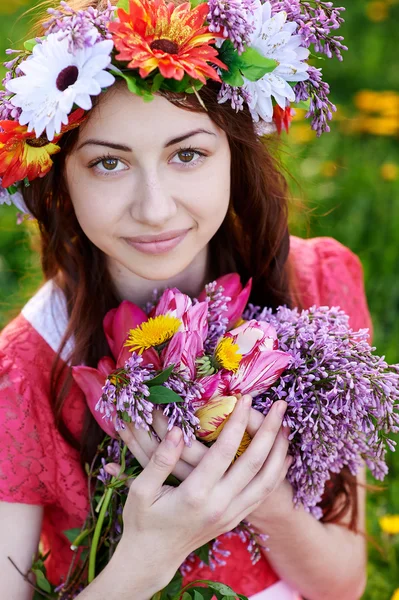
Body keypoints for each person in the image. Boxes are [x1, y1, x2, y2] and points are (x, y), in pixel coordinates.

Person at [0, 0, 372, 598]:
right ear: (58, 180)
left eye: (188, 154)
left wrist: (266, 500)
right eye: (108, 164)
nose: (154, 208)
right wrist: (147, 557)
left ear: (236, 154)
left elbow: (344, 584)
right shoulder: (21, 375)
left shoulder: (313, 284)